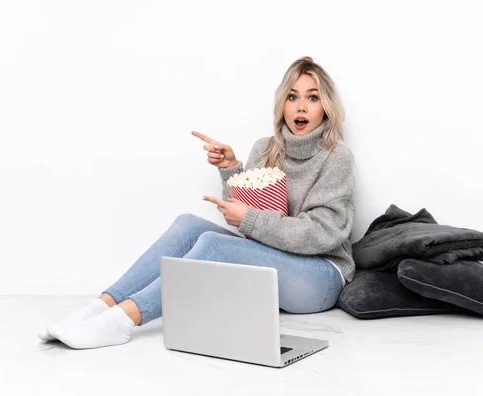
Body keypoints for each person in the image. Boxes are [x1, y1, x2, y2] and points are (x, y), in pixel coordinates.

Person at [37, 56, 356, 349]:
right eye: (293, 96)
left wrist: (250, 218)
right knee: (188, 225)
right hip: (277, 263)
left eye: (312, 97)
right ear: (282, 103)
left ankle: (122, 322)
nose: (301, 107)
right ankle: (97, 309)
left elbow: (323, 233)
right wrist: (230, 169)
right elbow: (250, 219)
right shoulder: (265, 148)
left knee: (215, 245)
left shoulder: (336, 157)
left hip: (321, 276)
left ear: (325, 106)